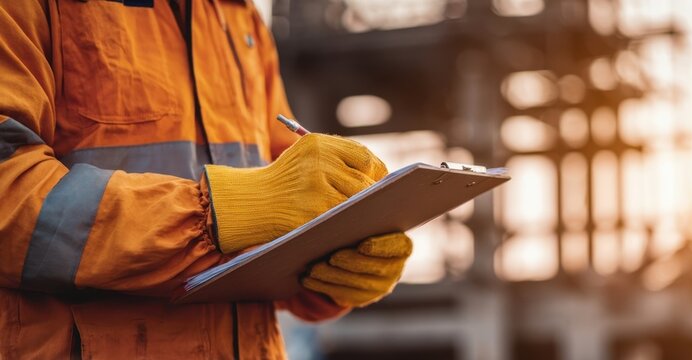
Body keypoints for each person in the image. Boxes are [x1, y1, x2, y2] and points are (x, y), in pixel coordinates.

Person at [0, 0, 412, 358]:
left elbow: (283, 201)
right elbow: (9, 192)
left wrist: (335, 258)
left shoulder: (238, 15)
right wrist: (215, 216)